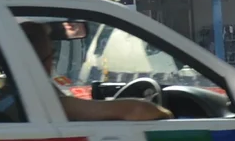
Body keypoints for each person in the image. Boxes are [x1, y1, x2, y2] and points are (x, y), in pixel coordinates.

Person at [19, 22, 168, 121]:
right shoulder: (38, 98)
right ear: (42, 59)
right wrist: (166, 114)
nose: (54, 60)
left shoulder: (17, 90)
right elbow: (138, 110)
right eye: (53, 53)